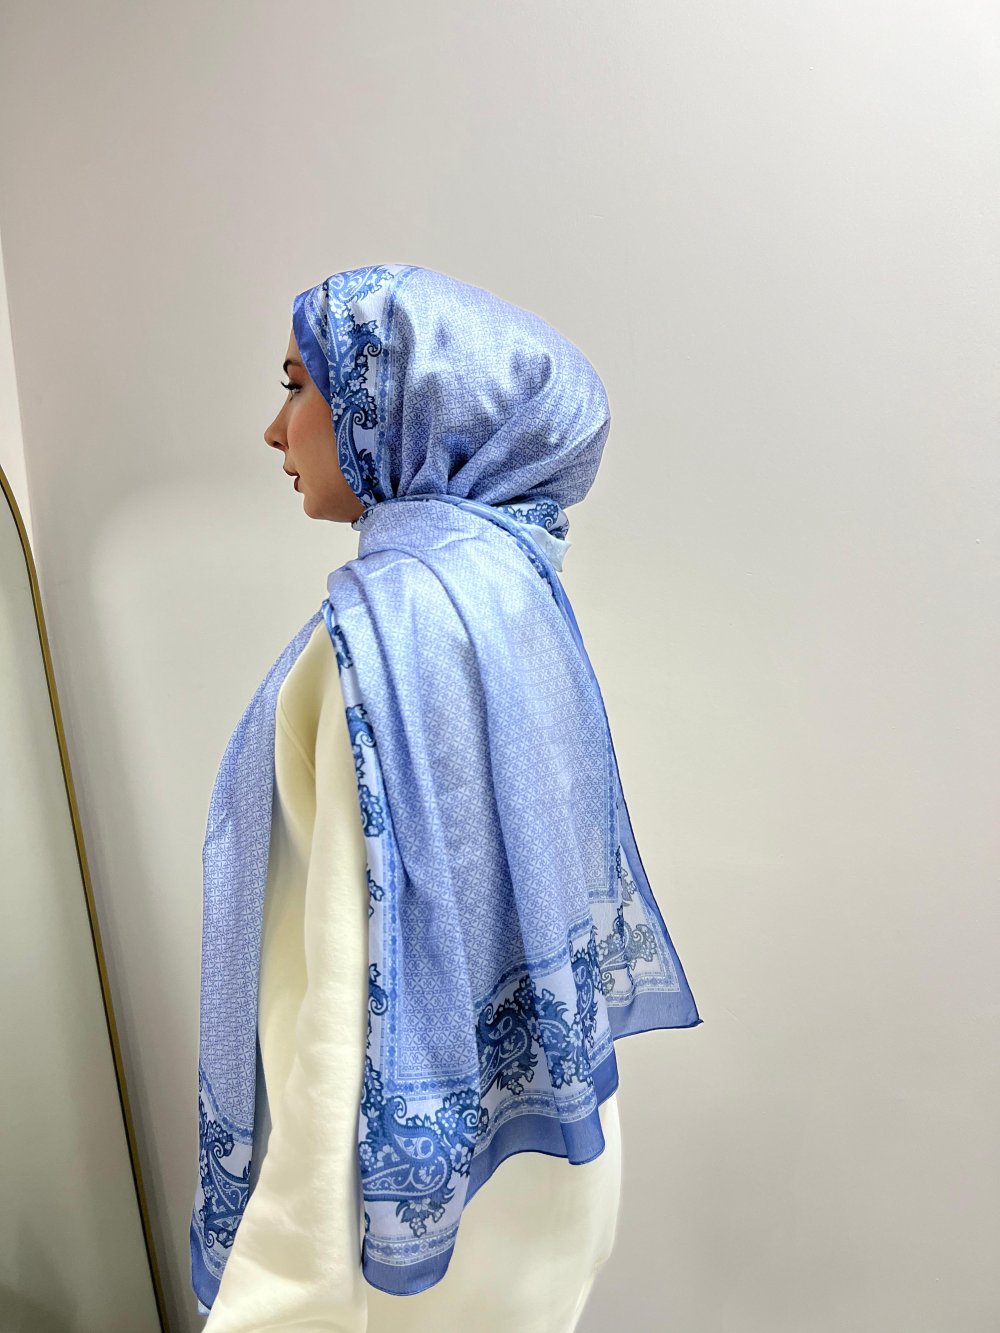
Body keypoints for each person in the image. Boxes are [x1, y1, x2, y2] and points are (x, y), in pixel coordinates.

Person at [191, 264, 701, 1330]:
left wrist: (278, 1287)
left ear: (396, 407)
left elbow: (348, 991)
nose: (276, 431)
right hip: (553, 1157)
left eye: (299, 386)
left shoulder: (381, 637)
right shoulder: (513, 586)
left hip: (410, 1233)